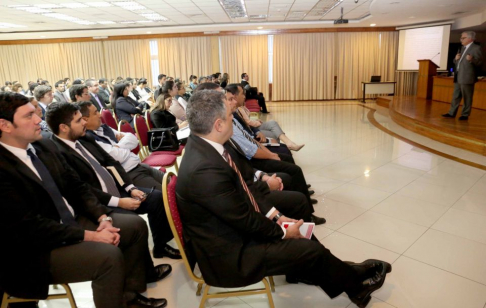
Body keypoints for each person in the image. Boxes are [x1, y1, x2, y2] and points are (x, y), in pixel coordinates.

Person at [177, 90, 391, 308]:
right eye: (230, 117)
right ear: (218, 125)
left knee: (298, 219)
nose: (233, 119)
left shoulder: (206, 145)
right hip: (229, 255)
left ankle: (338, 271)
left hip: (232, 232)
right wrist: (282, 231)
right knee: (308, 249)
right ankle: (357, 287)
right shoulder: (204, 169)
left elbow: (246, 189)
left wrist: (276, 216)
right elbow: (245, 219)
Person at [0, 92, 168, 308]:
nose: (38, 120)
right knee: (108, 257)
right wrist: (90, 236)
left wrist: (102, 218)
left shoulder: (43, 147)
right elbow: (30, 227)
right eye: (28, 116)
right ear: (4, 125)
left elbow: (77, 186)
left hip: (70, 221)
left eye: (36, 114)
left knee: (133, 225)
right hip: (34, 249)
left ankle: (130, 296)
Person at [46, 102, 180, 261]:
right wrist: (119, 202)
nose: (84, 122)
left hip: (117, 189)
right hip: (98, 203)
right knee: (135, 223)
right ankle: (143, 272)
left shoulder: (85, 138)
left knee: (157, 198)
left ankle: (160, 246)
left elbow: (111, 162)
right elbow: (84, 189)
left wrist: (130, 188)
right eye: (78, 120)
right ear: (63, 127)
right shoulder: (58, 153)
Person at [232, 83, 304, 151]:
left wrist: (256, 120)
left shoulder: (241, 106)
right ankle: (284, 147)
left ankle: (289, 143)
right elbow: (248, 123)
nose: (244, 96)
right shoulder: (237, 109)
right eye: (242, 94)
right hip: (252, 129)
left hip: (254, 125)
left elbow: (249, 116)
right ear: (235, 96)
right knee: (274, 134)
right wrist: (257, 122)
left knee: (273, 123)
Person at [443, 31, 483, 121]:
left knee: (467, 97)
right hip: (458, 76)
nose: (461, 39)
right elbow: (458, 62)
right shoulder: (462, 48)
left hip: (467, 77)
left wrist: (471, 60)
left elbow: (480, 63)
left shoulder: (476, 48)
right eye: (461, 38)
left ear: (470, 38)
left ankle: (465, 114)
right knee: (455, 96)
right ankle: (451, 113)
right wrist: (455, 59)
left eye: (463, 38)